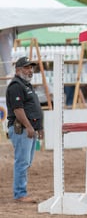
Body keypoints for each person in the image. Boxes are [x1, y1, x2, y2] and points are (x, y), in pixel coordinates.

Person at [6, 56, 44, 203]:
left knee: (25, 162)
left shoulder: (26, 85)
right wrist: (29, 126)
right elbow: (18, 110)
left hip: (27, 129)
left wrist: (38, 127)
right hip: (21, 129)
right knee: (22, 162)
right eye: (27, 67)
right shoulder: (16, 86)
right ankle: (20, 194)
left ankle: (21, 192)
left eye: (31, 67)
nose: (30, 70)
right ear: (18, 70)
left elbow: (32, 108)